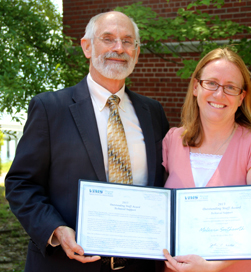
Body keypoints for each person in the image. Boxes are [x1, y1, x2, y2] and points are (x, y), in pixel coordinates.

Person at [5, 11, 169, 272]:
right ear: (87, 47)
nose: (119, 48)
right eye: (108, 38)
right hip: (66, 264)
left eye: (128, 41)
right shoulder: (50, 108)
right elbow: (21, 184)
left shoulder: (153, 112)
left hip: (140, 265)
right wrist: (56, 230)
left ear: (136, 52)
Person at [162, 47, 251, 272]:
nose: (219, 95)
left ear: (241, 97)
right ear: (195, 87)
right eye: (211, 83)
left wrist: (211, 267)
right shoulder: (173, 140)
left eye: (230, 87)